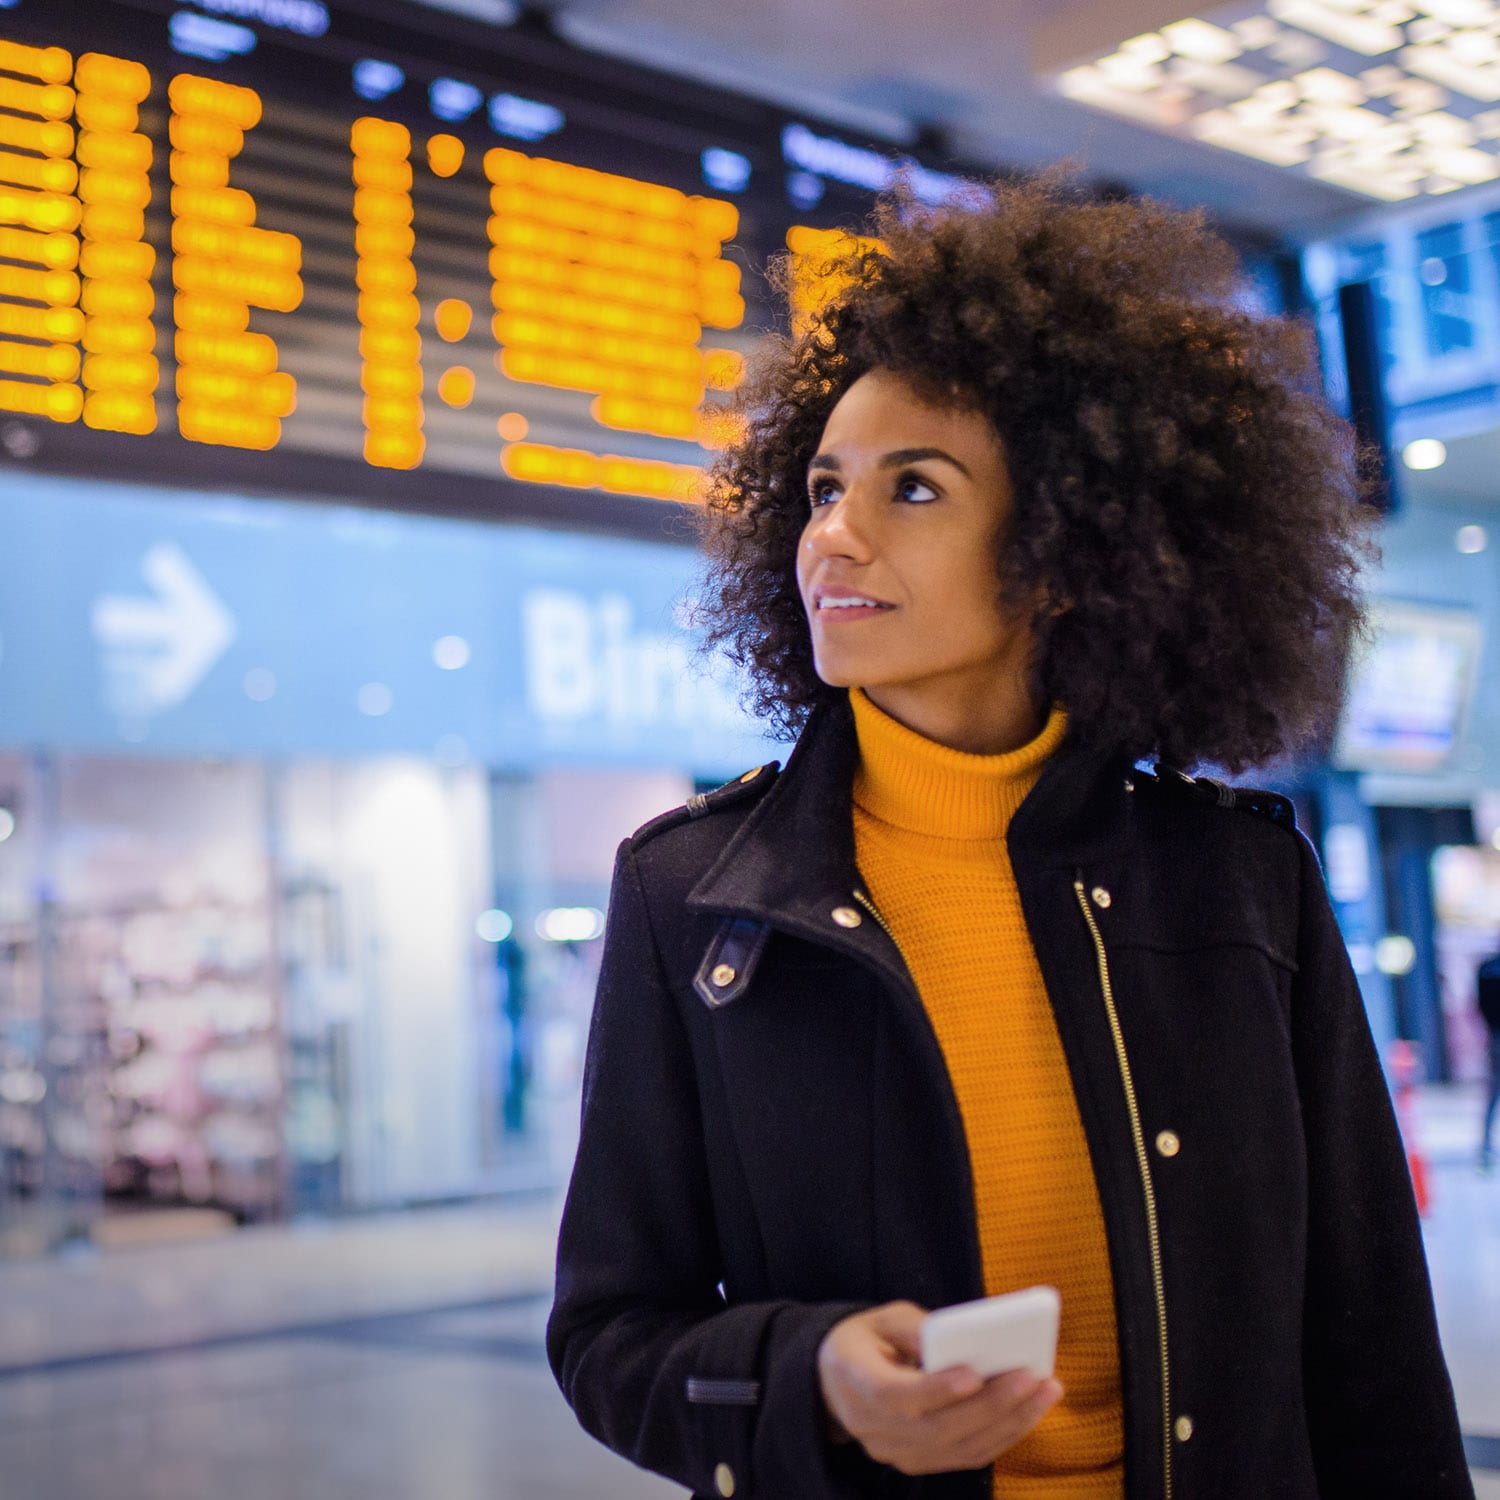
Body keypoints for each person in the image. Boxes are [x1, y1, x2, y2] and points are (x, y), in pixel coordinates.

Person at [547, 175, 1473, 1500]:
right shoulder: (695, 896)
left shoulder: (1240, 883)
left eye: (912, 489)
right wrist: (814, 1379)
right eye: (821, 487)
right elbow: (607, 1337)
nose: (834, 538)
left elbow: (1370, 1342)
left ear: (1062, 551)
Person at [1480, 949, 1500, 1173]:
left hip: (1496, 1036)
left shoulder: (1487, 967)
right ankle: (1485, 1148)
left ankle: (1486, 1148)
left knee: (1493, 1094)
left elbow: (1481, 1004)